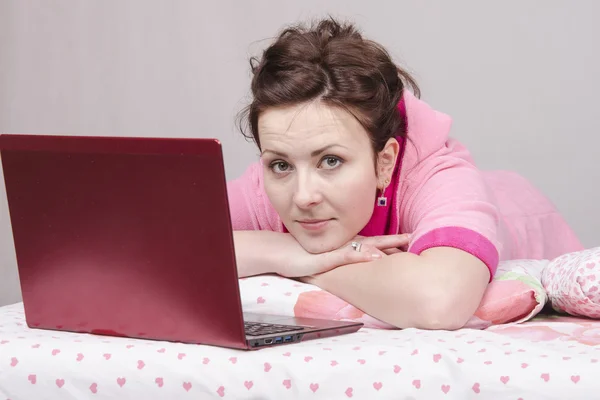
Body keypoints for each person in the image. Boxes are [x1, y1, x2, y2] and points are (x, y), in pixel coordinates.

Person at [226, 17, 584, 330]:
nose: (303, 196)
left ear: (385, 162)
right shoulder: (268, 184)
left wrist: (312, 264)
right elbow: (171, 245)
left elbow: (441, 300)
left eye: (331, 161)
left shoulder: (438, 175)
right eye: (281, 164)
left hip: (521, 211)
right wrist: (286, 252)